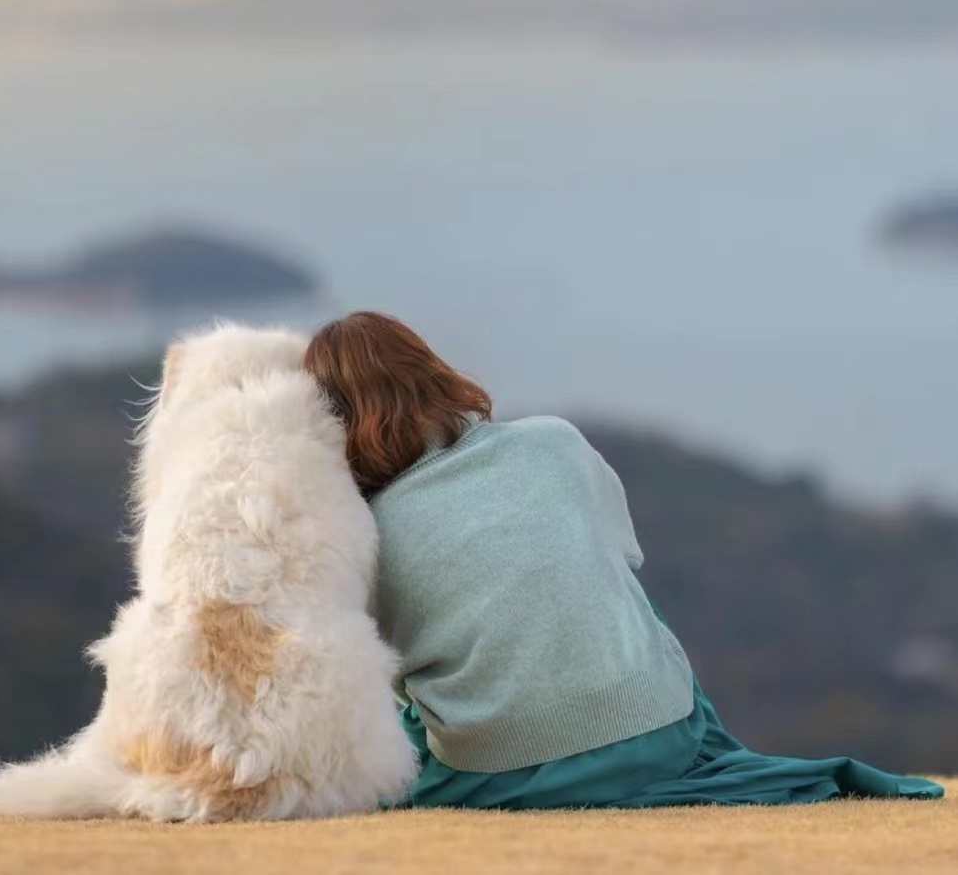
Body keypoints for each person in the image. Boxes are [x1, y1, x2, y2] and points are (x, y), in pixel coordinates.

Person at [303, 310, 944, 810]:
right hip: (659, 737)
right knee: (621, 591)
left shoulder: (364, 531)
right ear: (433, 371)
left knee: (397, 715)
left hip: (498, 775)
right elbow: (622, 556)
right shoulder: (554, 442)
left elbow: (388, 678)